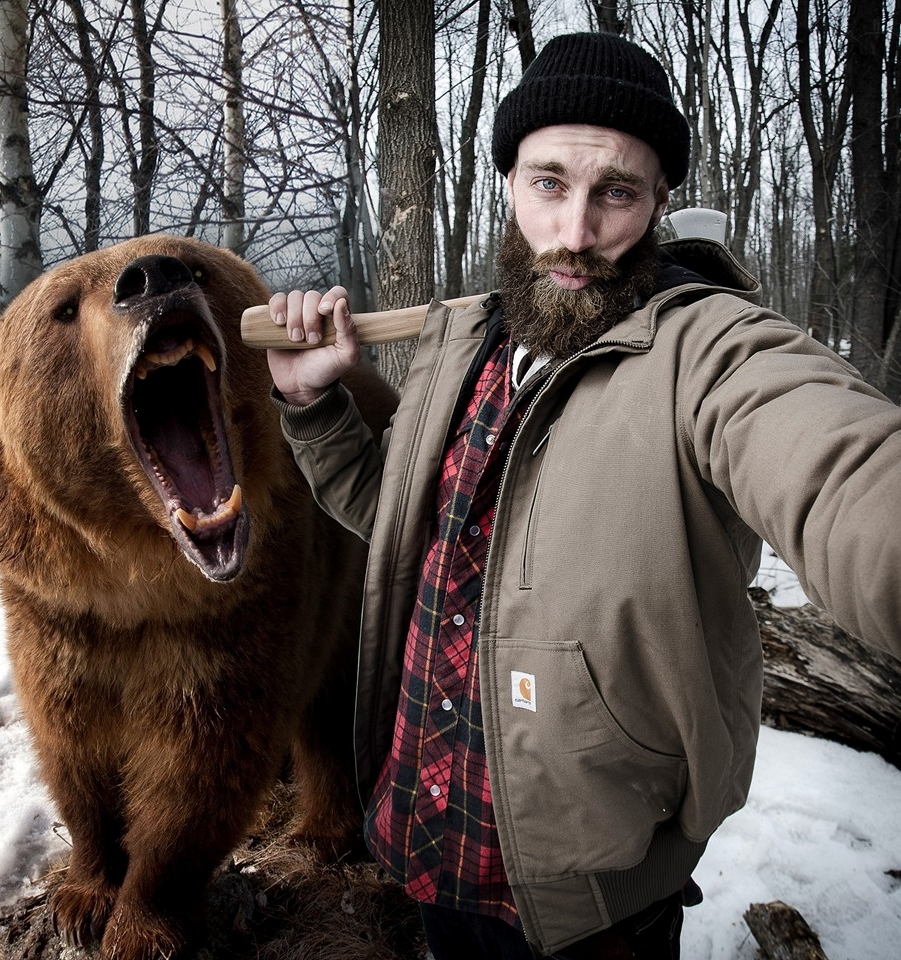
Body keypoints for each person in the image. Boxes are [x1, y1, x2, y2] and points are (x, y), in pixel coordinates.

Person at [264, 31, 901, 960]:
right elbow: (416, 530)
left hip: (587, 893)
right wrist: (310, 404)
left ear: (658, 205)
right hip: (426, 827)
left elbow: (844, 473)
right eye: (550, 183)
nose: (574, 233)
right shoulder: (467, 342)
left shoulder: (710, 351)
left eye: (617, 192)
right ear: (510, 183)